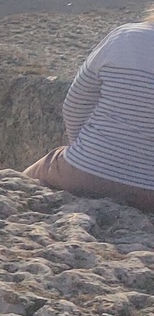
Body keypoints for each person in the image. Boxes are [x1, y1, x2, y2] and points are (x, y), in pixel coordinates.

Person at [24, 11, 154, 213]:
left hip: (86, 174)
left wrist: (86, 149)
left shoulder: (125, 36)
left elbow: (75, 104)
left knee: (26, 179)